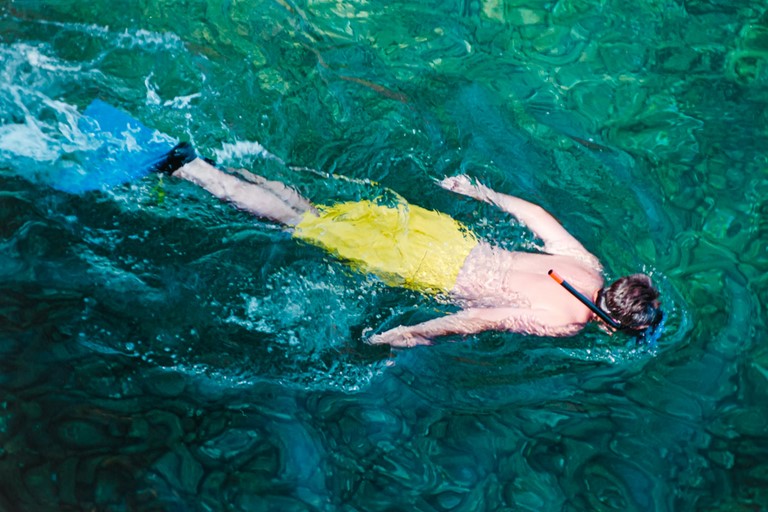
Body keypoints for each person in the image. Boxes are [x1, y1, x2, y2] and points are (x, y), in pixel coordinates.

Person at [164, 150, 661, 348]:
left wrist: (479, 192)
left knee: (318, 213)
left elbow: (533, 213)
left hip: (445, 235)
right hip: (428, 268)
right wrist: (413, 333)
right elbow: (478, 320)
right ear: (612, 322)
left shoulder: (586, 264)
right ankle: (195, 171)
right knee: (301, 224)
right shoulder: (567, 322)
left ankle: (229, 164)